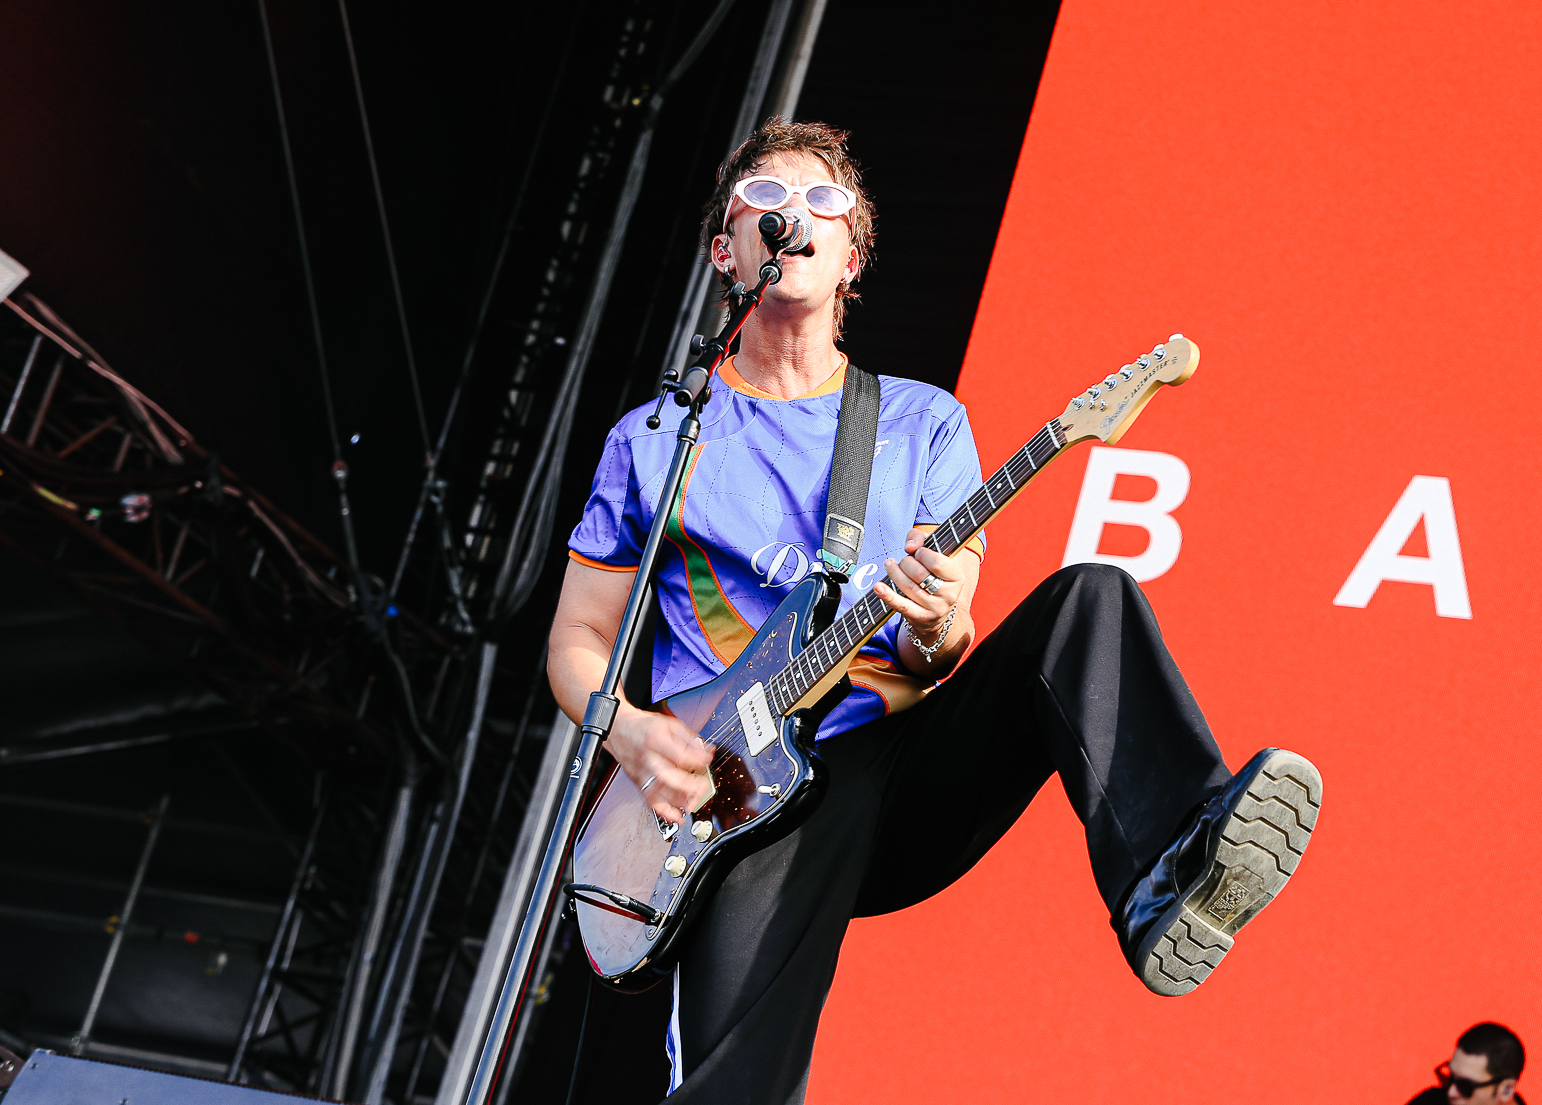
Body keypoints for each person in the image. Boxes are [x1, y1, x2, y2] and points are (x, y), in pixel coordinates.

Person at [548, 119, 1322, 1103]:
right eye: (766, 199)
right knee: (731, 1087)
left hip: (897, 767)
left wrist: (934, 623)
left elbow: (939, 653)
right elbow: (578, 636)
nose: (794, 214)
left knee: (1090, 598)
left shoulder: (920, 423)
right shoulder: (659, 437)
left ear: (851, 260)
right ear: (725, 251)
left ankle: (1176, 870)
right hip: (732, 796)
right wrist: (628, 732)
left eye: (823, 202)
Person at [1405, 1023, 1526, 1105]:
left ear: (1506, 1090)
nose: (1451, 1093)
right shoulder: (1431, 1101)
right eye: (1450, 1078)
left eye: (1465, 1087)